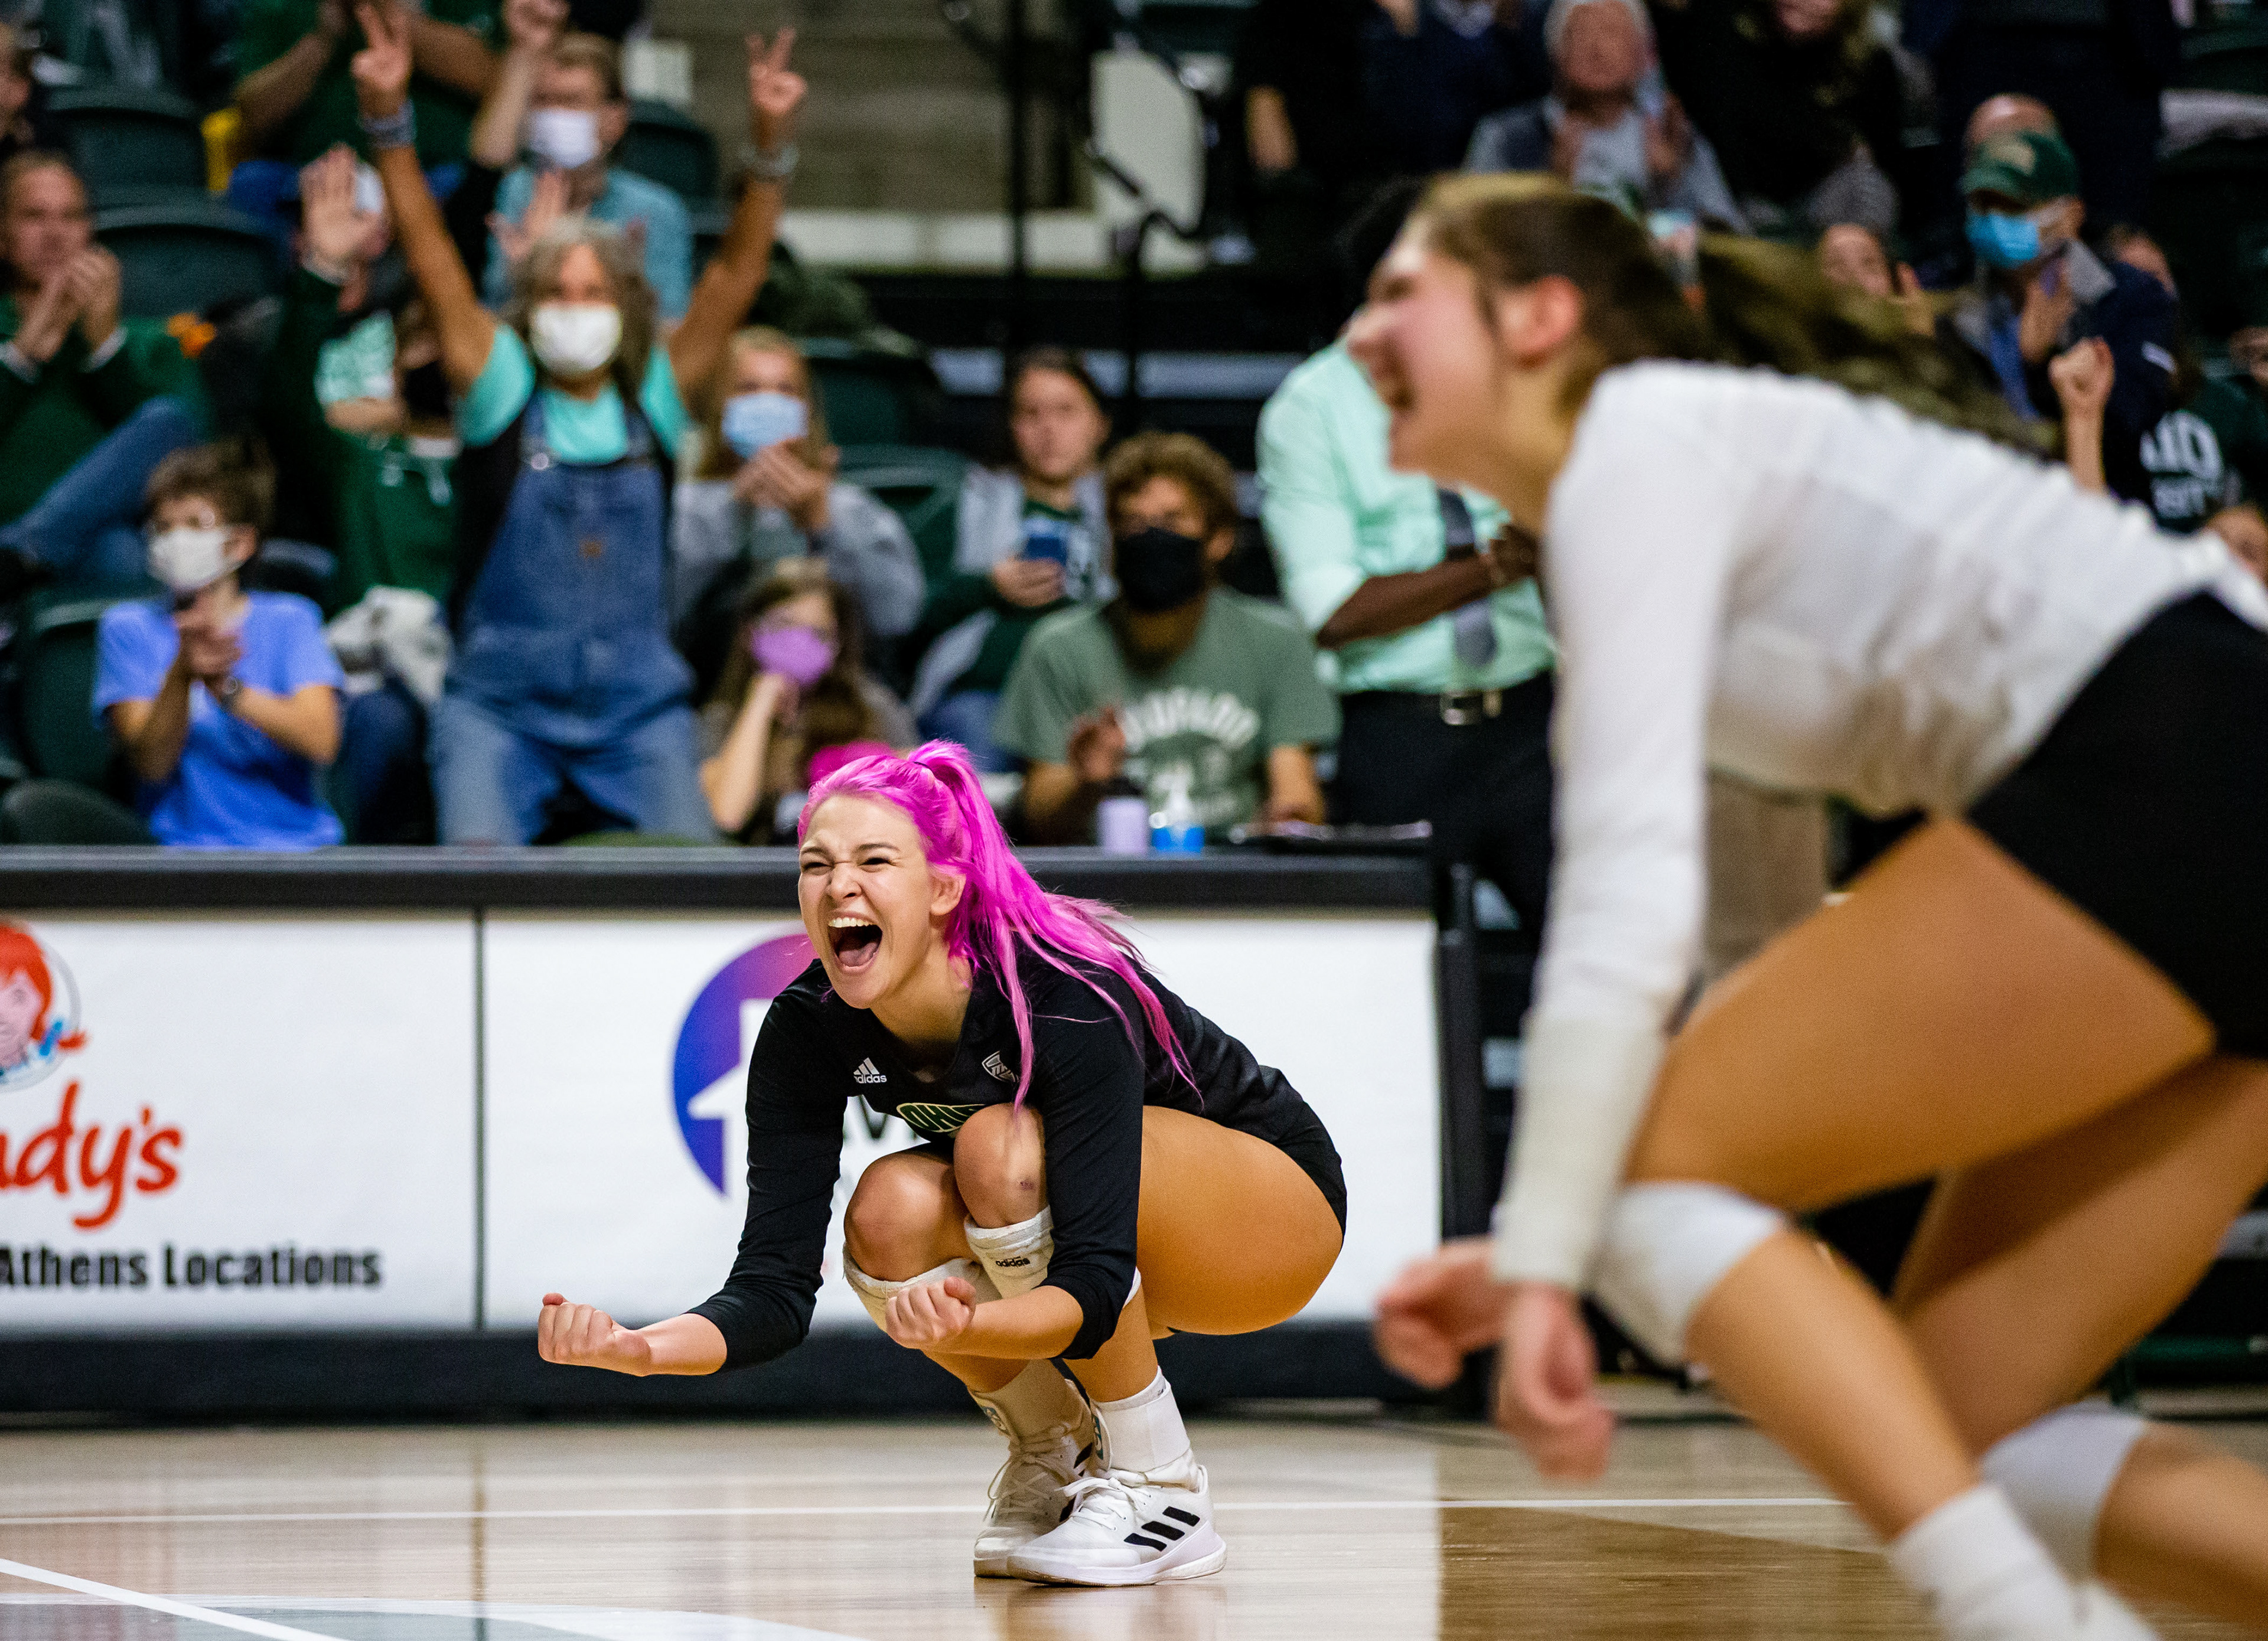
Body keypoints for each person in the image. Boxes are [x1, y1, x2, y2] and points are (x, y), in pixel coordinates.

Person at [1355, 173, 2268, 1640]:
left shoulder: (1634, 444)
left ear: (1539, 317)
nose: (1356, 333)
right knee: (1955, 1428)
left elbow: (1626, 915)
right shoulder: (1639, 504)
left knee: (1662, 1179)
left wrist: (1551, 1255)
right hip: (2204, 780)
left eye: (1401, 291)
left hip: (2176, 749)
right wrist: (1550, 1242)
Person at [532, 741, 1347, 1587]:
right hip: (1117, 1262)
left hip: (1271, 1218)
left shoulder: (1058, 989)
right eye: (816, 864)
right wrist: (644, 1348)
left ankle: (1161, 1485)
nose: (838, 884)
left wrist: (967, 1326)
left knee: (997, 1146)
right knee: (889, 1208)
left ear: (945, 889)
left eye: (874, 860)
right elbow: (773, 1290)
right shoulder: (807, 1027)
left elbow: (1096, 1279)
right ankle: (1054, 1454)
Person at [352, 4, 806, 845]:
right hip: (499, 709)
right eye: (557, 291)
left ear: (628, 308)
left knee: (691, 892)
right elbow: (430, 253)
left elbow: (739, 274)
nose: (574, 308)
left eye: (593, 293)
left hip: (640, 714)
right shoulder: (500, 387)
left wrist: (769, 149)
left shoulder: (657, 394)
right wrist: (390, 121)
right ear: (527, 306)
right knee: (474, 887)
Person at [1258, 185, 1556, 938]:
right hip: (1401, 736)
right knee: (1401, 975)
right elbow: (1333, 612)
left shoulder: (1517, 377)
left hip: (1535, 718)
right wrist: (1491, 568)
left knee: (1602, 961)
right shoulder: (1313, 406)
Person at [998, 431, 1338, 844]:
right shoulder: (1058, 647)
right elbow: (1038, 820)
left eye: (1172, 521)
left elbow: (1296, 791)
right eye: (1133, 523)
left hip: (1234, 881)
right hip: (1105, 883)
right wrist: (1088, 784)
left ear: (1218, 538)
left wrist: (1286, 822)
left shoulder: (1276, 643)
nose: (1151, 538)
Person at [265, 144, 464, 845]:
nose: (437, 357)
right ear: (395, 363)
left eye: (453, 345)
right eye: (420, 344)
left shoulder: (505, 470)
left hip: (476, 680)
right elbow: (288, 406)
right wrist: (321, 273)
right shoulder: (363, 458)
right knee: (379, 722)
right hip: (375, 678)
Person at [96, 446, 346, 851]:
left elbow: (322, 740)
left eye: (195, 525)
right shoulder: (128, 628)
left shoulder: (291, 620)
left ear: (239, 543)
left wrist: (228, 690)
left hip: (298, 852)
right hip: (183, 855)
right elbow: (151, 764)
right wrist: (182, 672)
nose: (177, 540)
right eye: (164, 528)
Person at [0, 155, 208, 594]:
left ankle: (22, 553)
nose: (55, 235)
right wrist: (20, 358)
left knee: (169, 422)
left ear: (91, 233)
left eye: (71, 217)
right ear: (3, 235)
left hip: (88, 543)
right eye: (33, 216)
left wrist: (105, 349)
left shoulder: (148, 342)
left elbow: (187, 451)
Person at [907, 350, 1112, 773]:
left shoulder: (1127, 508)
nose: (1049, 429)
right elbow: (905, 611)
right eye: (1031, 413)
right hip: (986, 696)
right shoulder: (968, 502)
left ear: (1099, 424)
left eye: (1066, 411)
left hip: (1094, 695)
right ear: (1012, 426)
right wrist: (988, 585)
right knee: (972, 752)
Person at [1946, 129, 2175, 505]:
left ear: (2070, 217)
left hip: (2098, 508)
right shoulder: (1947, 296)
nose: (1995, 220)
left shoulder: (2131, 297)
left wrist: (2043, 366)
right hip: (1982, 512)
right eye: (1983, 205)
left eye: (2015, 207)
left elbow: (2128, 428)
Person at [674, 325, 925, 665]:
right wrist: (731, 516)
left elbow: (897, 618)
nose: (768, 403)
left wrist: (823, 526)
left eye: (785, 390)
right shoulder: (687, 505)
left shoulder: (848, 506)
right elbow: (662, 618)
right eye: (749, 389)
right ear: (722, 405)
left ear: (807, 409)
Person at [471, 3, 694, 320]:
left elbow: (670, 335)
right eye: (543, 101)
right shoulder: (515, 193)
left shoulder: (657, 210)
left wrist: (622, 287)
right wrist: (531, 271)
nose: (555, 115)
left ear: (614, 120)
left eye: (572, 102)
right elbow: (489, 329)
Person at [1465, 0, 1742, 231]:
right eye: (1581, 33)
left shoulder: (1672, 135)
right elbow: (1478, 236)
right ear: (1555, 54)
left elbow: (1729, 238)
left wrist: (1669, 186)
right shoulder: (1505, 138)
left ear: (1644, 54)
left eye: (1612, 32)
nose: (1597, 49)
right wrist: (1552, 189)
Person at [698, 560, 916, 843]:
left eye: (818, 633)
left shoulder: (872, 708)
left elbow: (922, 792)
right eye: (785, 625)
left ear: (837, 645)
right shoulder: (722, 720)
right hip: (760, 878)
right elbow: (728, 814)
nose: (799, 642)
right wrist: (761, 702)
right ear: (751, 632)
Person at [1651, 0, 1908, 238]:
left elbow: (1892, 171)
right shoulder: (1722, 31)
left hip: (1824, 226)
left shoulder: (1872, 67)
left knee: (1864, 186)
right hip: (1731, 214)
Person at [2101, 228, 2268, 536]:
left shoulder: (2224, 402)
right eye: (2129, 277)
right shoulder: (2090, 406)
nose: (2146, 293)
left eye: (2154, 277)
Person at [234, 0, 500, 171]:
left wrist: (385, 11)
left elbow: (495, 80)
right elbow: (251, 117)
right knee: (251, 182)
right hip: (307, 176)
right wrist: (325, 37)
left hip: (444, 176)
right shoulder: (281, 8)